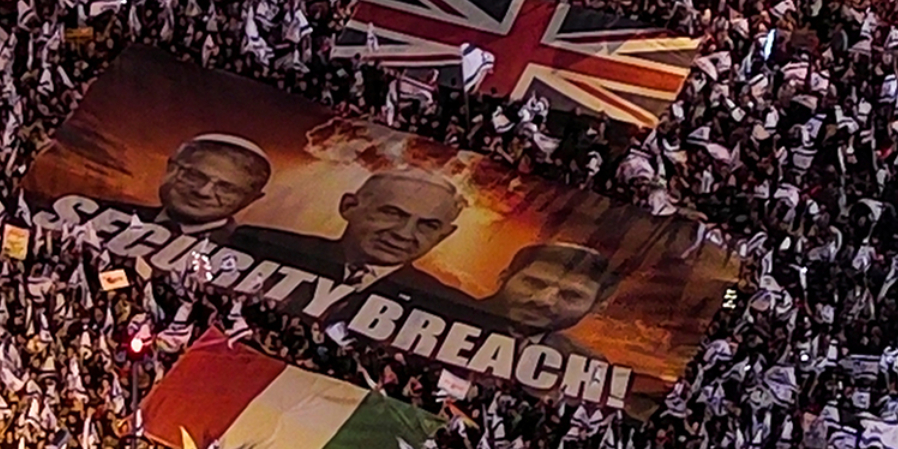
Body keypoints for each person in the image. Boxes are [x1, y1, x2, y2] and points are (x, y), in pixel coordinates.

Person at [232, 168, 472, 321]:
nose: (404, 234)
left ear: (443, 236)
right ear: (349, 207)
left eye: (428, 225)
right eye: (392, 213)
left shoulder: (451, 308)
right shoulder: (257, 245)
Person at [477, 242, 617, 359]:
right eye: (533, 283)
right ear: (504, 278)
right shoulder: (461, 314)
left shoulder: (582, 361)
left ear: (597, 307)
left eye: (571, 295)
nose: (544, 300)